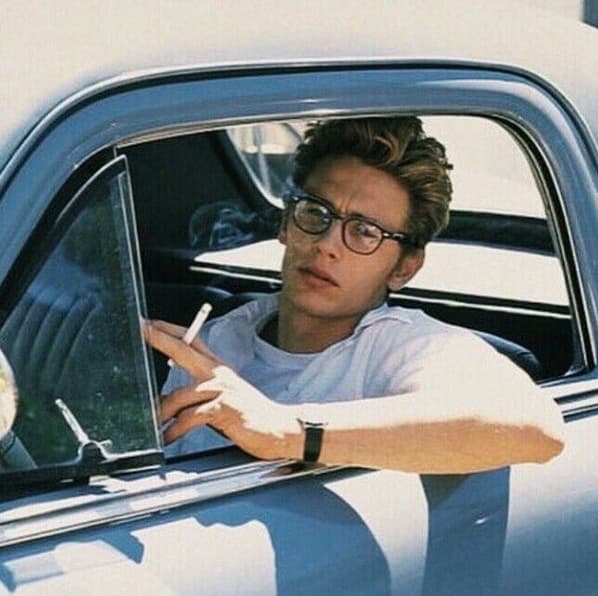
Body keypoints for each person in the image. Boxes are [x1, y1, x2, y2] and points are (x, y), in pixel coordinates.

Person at [144, 117, 564, 474]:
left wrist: (286, 431)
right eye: (315, 213)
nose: (327, 244)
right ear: (286, 224)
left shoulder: (403, 346)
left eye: (365, 231)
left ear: (403, 268)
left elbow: (535, 428)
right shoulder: (216, 339)